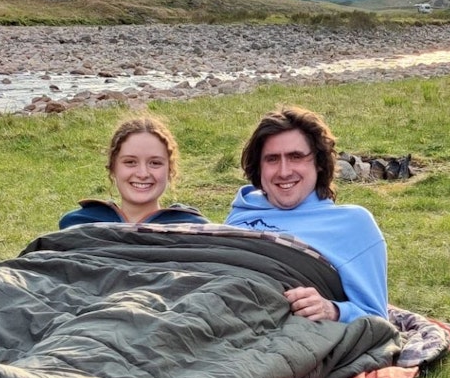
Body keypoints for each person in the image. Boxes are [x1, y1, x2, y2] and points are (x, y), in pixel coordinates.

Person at [225, 106, 388, 322]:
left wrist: (332, 310)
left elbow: (378, 320)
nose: (284, 172)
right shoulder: (241, 213)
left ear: (319, 163)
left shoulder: (352, 225)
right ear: (259, 167)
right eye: (272, 159)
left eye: (296, 157)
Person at [58, 116, 208, 227]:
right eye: (130, 162)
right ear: (113, 167)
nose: (143, 174)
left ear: (170, 170)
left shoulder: (193, 229)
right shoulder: (78, 224)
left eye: (155, 163)